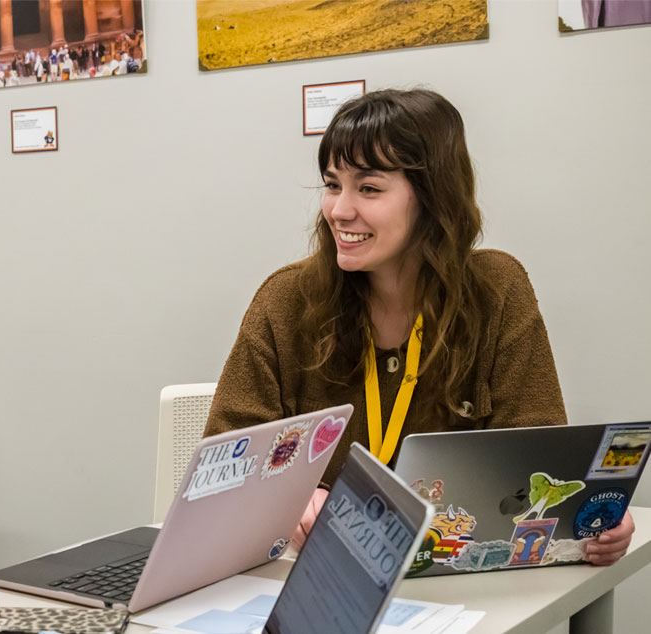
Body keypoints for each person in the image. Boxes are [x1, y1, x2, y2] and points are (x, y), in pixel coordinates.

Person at [202, 88, 634, 565]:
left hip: (459, 580)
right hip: (314, 572)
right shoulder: (286, 301)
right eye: (332, 184)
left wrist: (588, 516)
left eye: (368, 188)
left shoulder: (496, 291)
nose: (339, 211)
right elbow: (226, 463)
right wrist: (289, 501)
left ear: (432, 198)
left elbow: (539, 463)